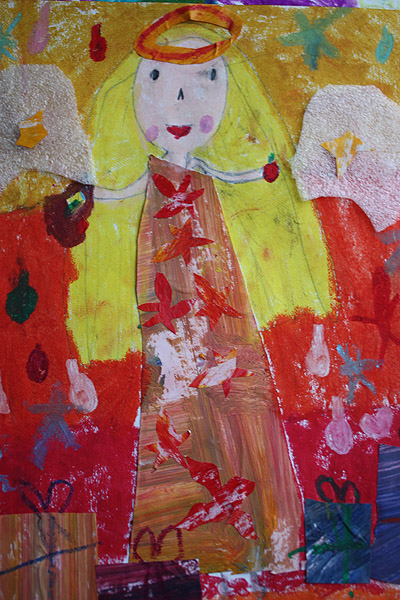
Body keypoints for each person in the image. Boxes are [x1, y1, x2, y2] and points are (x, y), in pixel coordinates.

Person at [67, 6, 334, 572]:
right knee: (172, 419)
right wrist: (82, 361)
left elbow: (285, 251)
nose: (180, 102)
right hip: (165, 348)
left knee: (245, 413)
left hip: (233, 343)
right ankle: (180, 553)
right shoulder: (126, 200)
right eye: (157, 79)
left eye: (206, 78)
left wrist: (313, 331)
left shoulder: (236, 187)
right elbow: (96, 278)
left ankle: (268, 546)